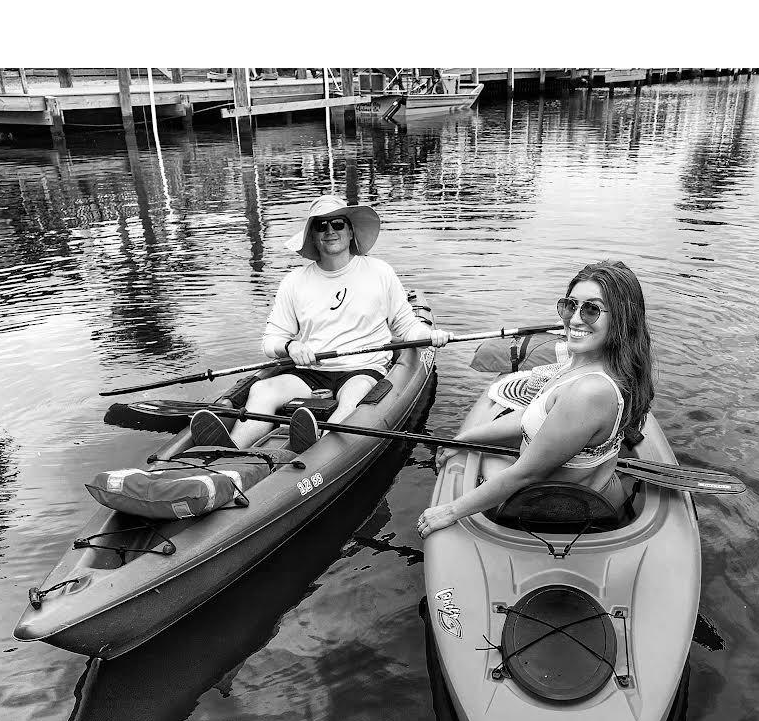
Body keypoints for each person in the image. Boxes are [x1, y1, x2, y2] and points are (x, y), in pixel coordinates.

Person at [190, 194, 450, 454]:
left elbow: (407, 327)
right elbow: (270, 341)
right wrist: (291, 346)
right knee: (262, 389)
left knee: (353, 397)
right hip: (311, 371)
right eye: (320, 226)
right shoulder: (294, 282)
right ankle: (228, 452)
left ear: (350, 232)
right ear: (312, 235)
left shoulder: (379, 272)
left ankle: (317, 449)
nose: (329, 231)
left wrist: (430, 335)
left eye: (337, 224)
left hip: (362, 368)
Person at [416, 259, 654, 538]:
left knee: (485, 460)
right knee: (480, 449)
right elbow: (531, 417)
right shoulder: (580, 364)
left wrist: (450, 510)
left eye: (591, 309)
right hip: (586, 488)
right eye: (570, 305)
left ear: (621, 319)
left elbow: (526, 474)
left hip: (559, 509)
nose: (575, 319)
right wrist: (465, 439)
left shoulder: (590, 391)